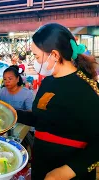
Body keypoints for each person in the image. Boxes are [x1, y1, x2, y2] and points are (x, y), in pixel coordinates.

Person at [17, 23, 98, 180]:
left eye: (36, 56)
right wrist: (11, 113)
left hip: (70, 173)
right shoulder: (48, 82)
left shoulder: (87, 88)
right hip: (42, 166)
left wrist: (67, 171)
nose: (35, 61)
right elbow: (42, 118)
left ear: (54, 55)